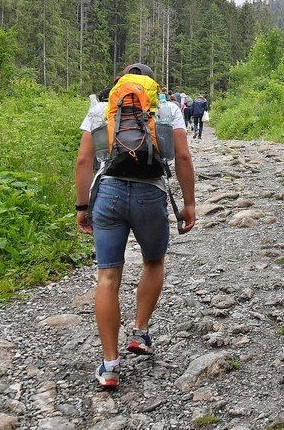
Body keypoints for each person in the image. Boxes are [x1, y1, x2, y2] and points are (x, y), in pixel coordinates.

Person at [74, 62, 196, 388]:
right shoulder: (168, 109)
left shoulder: (101, 109)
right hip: (150, 193)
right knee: (154, 261)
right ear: (152, 86)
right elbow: (182, 157)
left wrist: (82, 207)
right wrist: (189, 203)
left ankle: (110, 366)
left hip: (108, 194)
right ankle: (140, 332)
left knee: (108, 276)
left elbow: (85, 159)